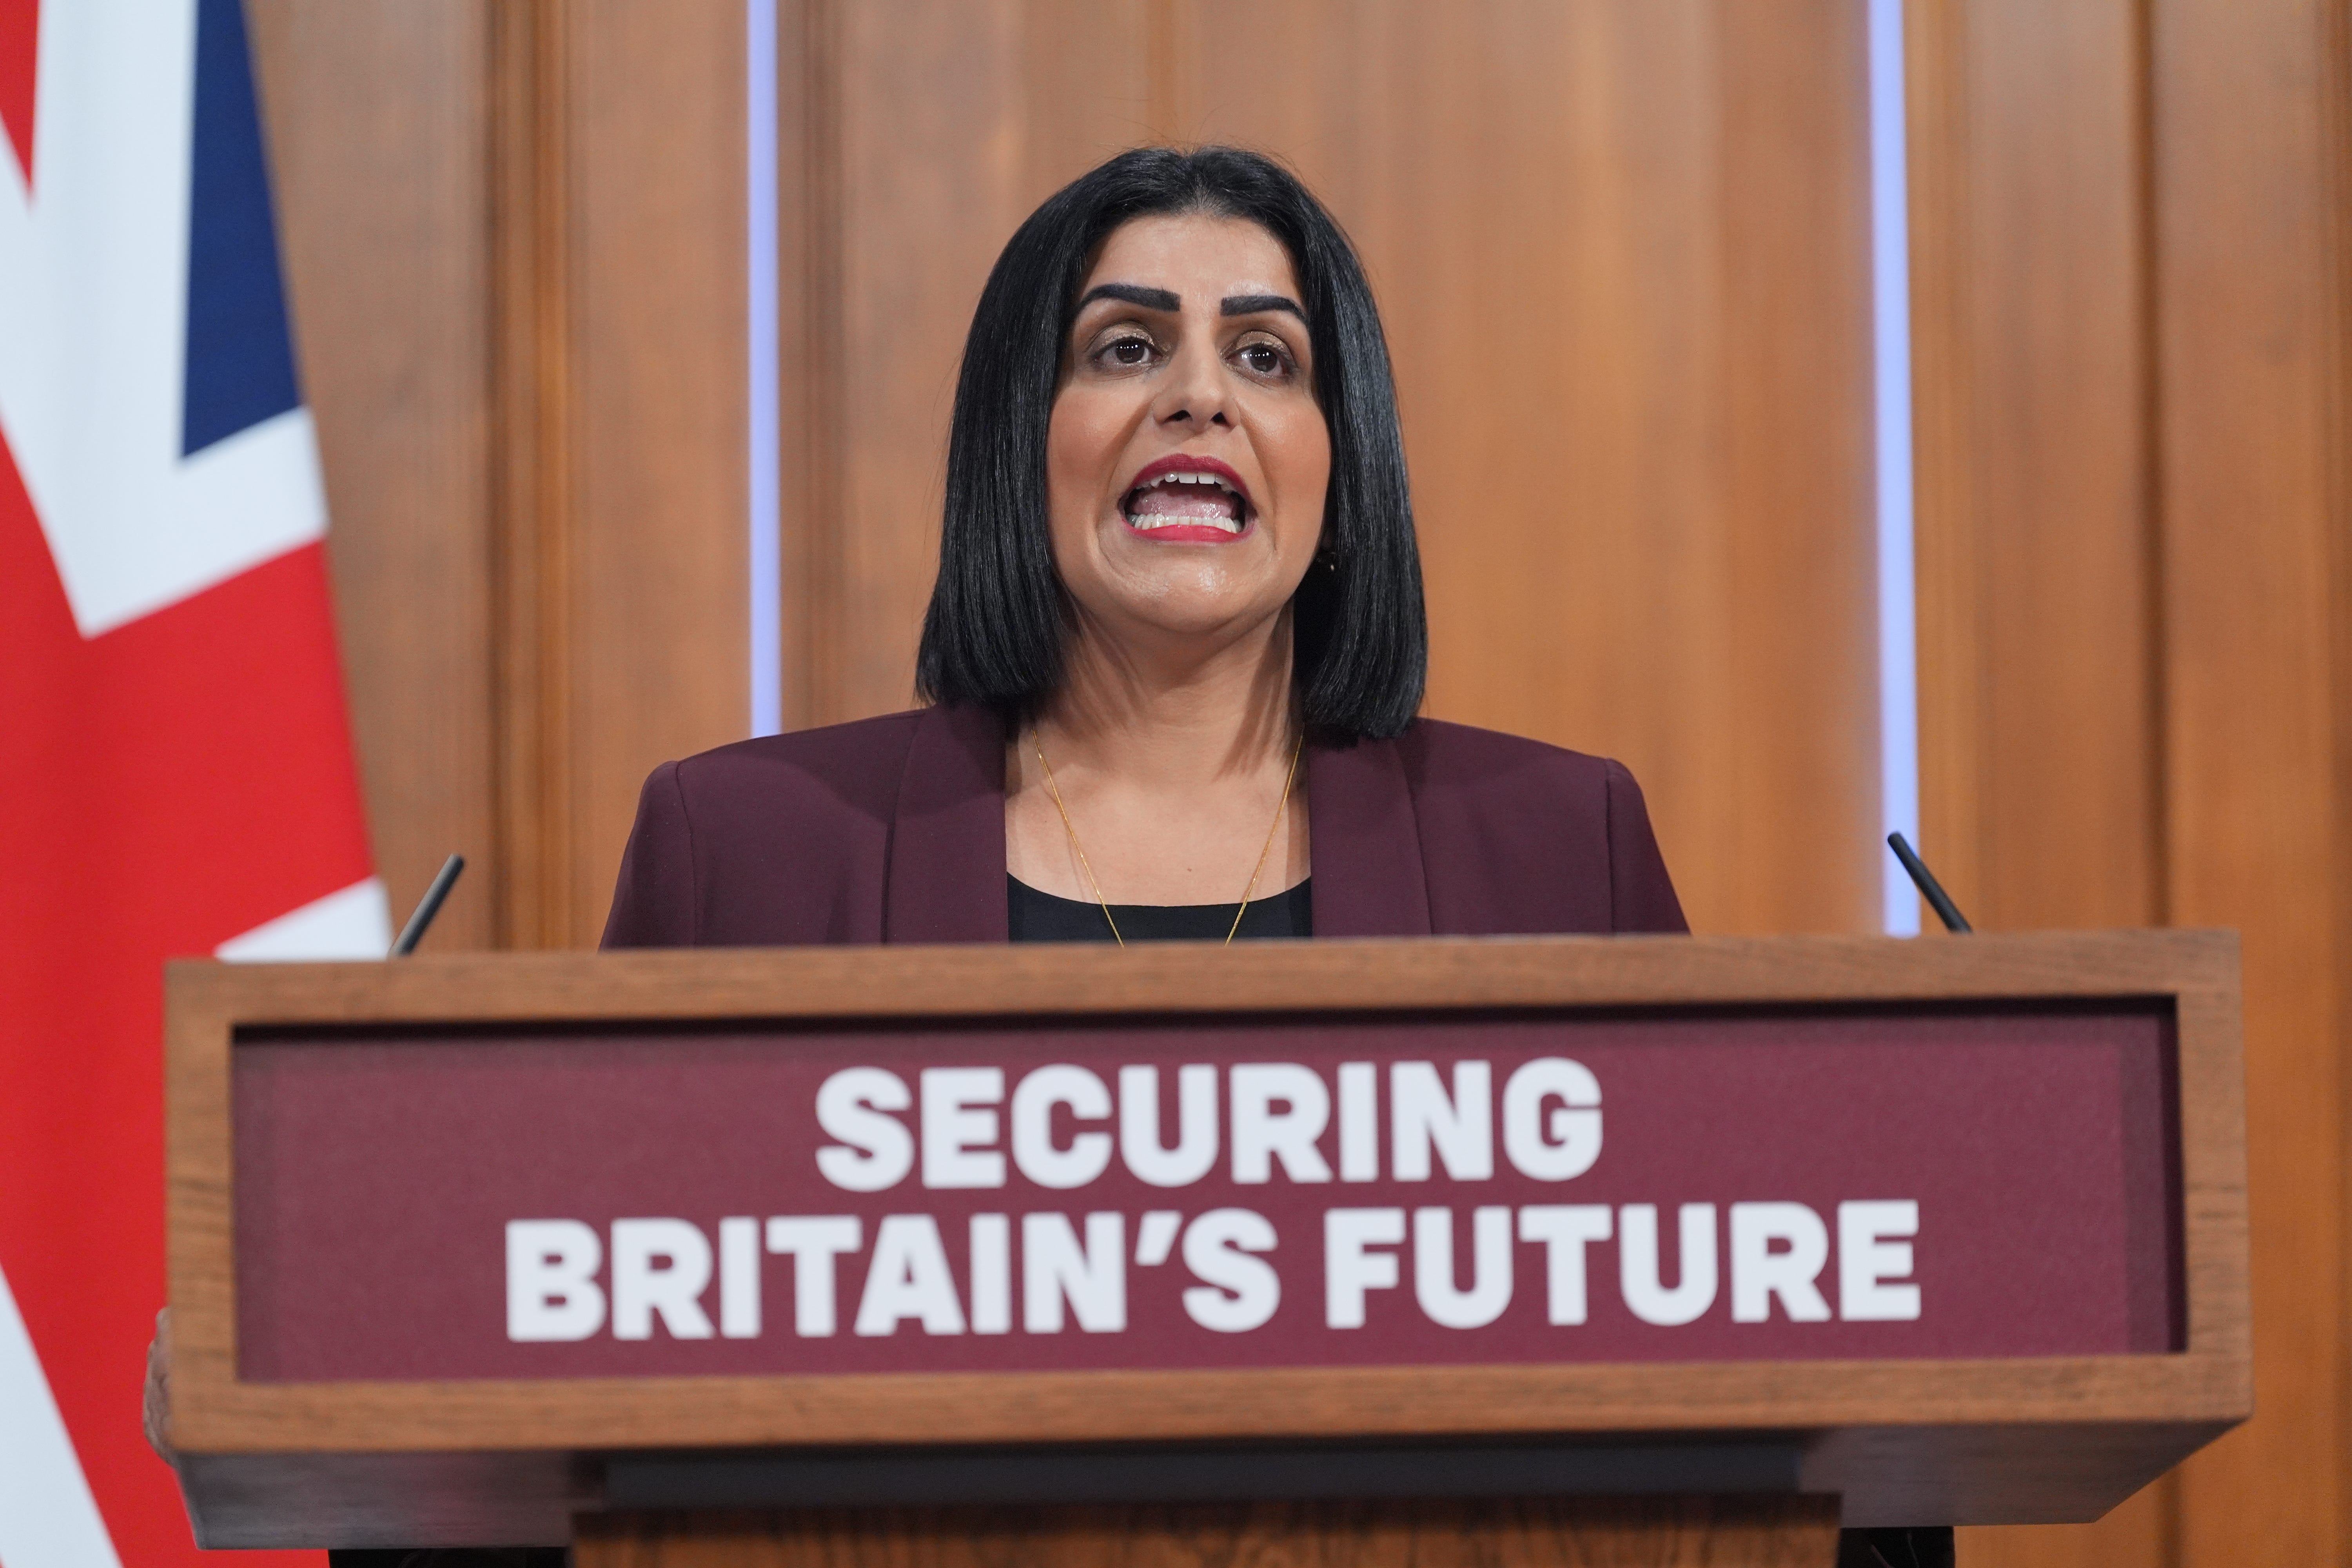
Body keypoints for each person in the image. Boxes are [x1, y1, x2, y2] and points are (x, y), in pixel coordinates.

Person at [602, 145, 1684, 953]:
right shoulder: (738, 854)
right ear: (1018, 441)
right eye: (1126, 347)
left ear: (1343, 462)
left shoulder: (1564, 854)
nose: (1200, 396)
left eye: (1266, 356)